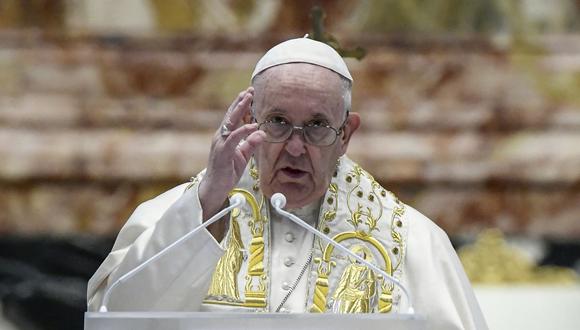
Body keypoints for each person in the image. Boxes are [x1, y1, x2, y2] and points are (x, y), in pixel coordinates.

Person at [87, 37, 488, 329]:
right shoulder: (177, 217)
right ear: (249, 121)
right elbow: (118, 316)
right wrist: (208, 204)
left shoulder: (410, 240)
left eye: (316, 126)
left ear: (346, 134)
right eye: (278, 122)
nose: (295, 148)